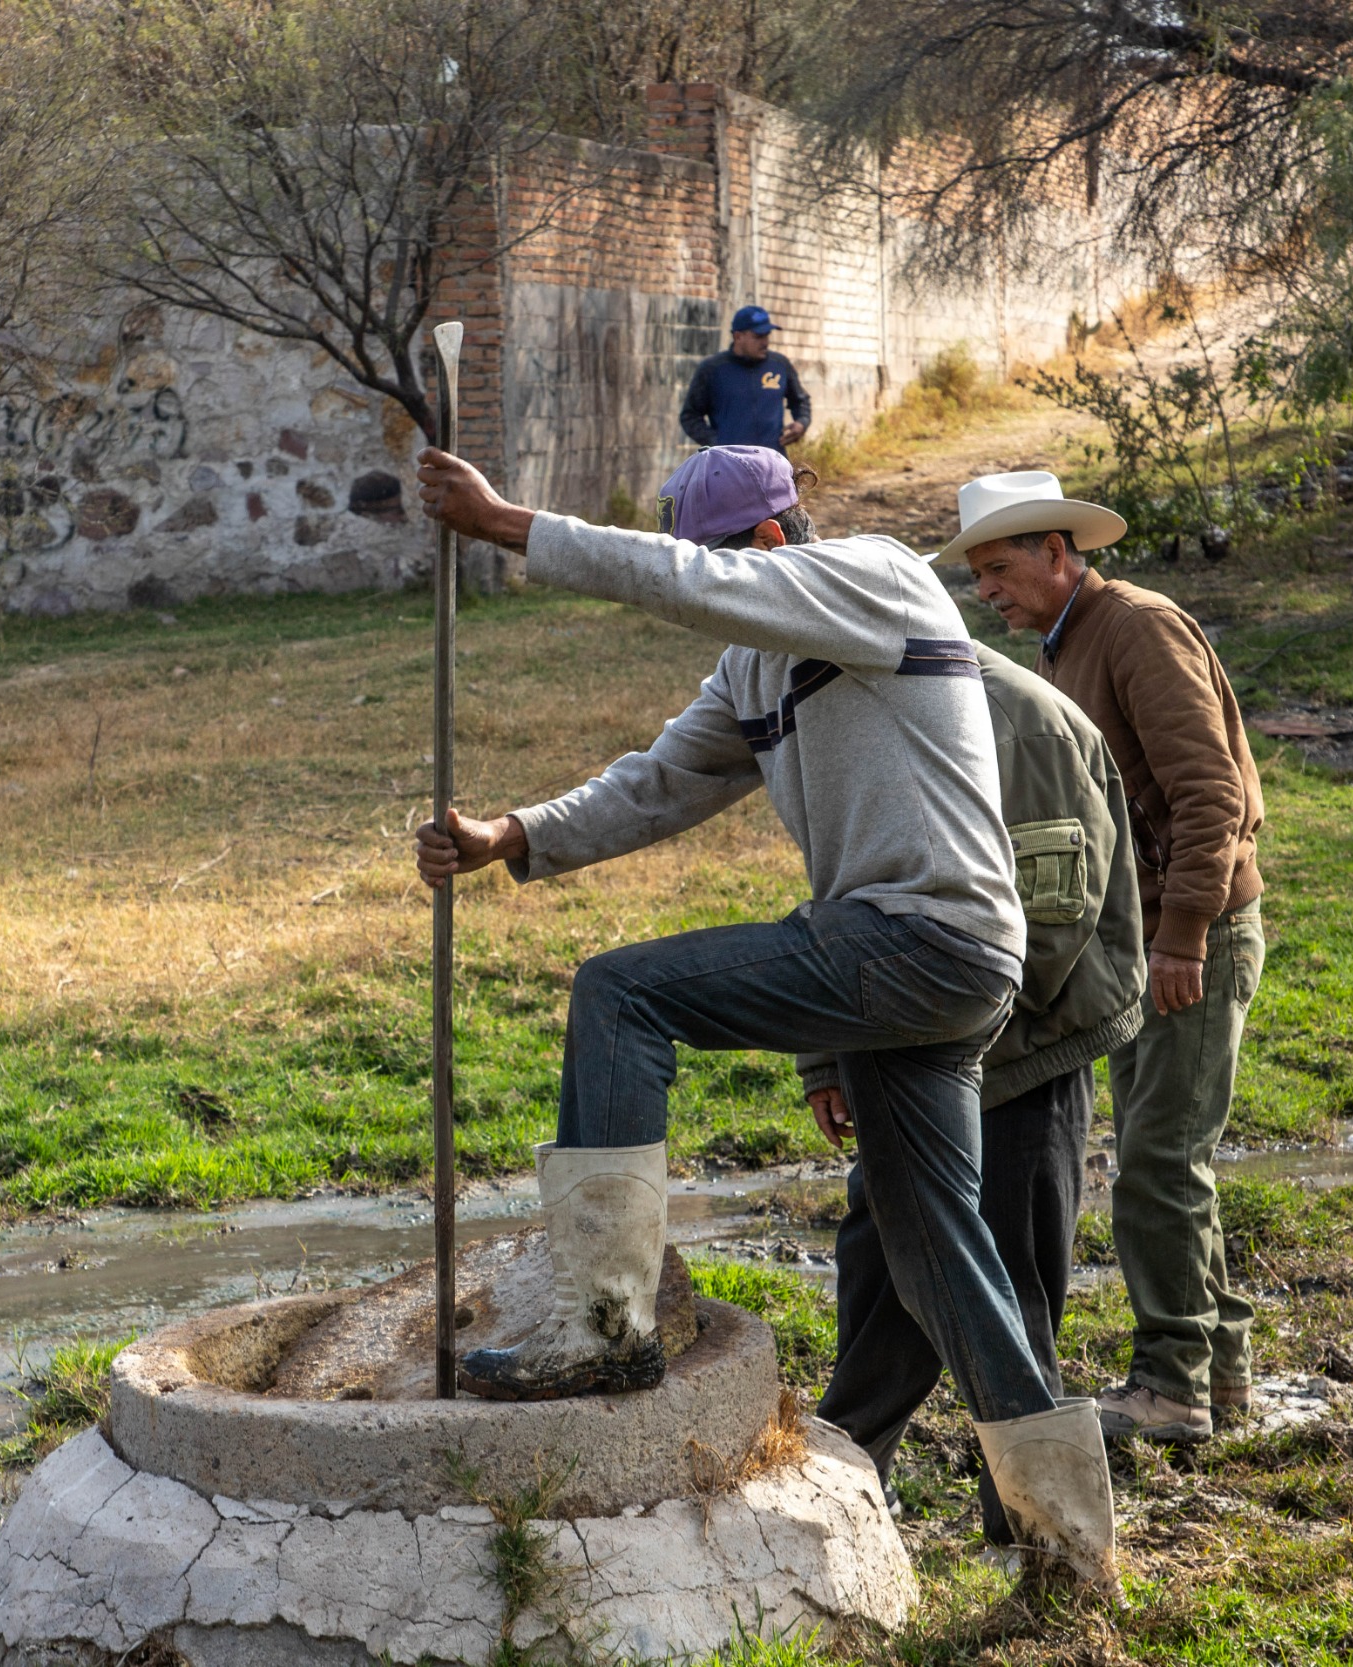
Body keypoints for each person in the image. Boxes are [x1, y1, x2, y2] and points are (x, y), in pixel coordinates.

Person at [412, 442, 1118, 1596]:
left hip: (924, 935)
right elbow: (659, 780)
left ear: (782, 540)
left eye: (734, 558)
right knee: (938, 1245)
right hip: (919, 970)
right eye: (713, 561)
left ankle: (601, 1324)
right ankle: (1068, 1551)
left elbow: (702, 585)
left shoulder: (874, 575)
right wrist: (515, 834)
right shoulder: (754, 669)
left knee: (619, 989)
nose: (723, 581)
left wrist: (509, 527)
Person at [949, 471, 1268, 1445]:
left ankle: (1170, 1384)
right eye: (975, 576)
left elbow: (1210, 791)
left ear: (1057, 551)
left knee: (1159, 1160)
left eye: (999, 568)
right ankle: (1220, 1380)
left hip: (1192, 935)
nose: (986, 591)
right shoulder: (1064, 642)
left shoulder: (1134, 625)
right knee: (1164, 1156)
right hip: (1143, 938)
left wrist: (1180, 934)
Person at [813, 626, 1148, 1547]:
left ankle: (1037, 1535)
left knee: (1011, 1280)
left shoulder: (1025, 722)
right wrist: (827, 1058)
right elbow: (834, 896)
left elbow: (1050, 925)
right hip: (911, 1036)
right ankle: (837, 1487)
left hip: (1028, 1043)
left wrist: (935, 1052)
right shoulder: (849, 709)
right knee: (879, 1259)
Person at [679, 306, 811, 453]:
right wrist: (717, 442)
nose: (765, 342)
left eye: (767, 335)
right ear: (738, 337)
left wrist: (801, 423)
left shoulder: (779, 365)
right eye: (758, 336)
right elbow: (690, 416)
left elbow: (801, 401)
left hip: (773, 463)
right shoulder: (713, 369)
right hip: (729, 465)